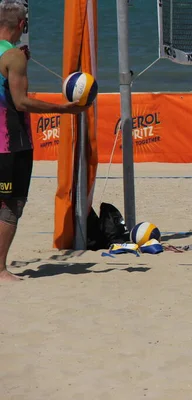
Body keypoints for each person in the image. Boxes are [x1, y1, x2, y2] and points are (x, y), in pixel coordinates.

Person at [0, 0, 91, 282]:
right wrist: (63, 109)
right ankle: (0, 270)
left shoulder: (14, 55)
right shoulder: (14, 56)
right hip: (10, 143)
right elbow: (22, 102)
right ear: (23, 25)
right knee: (11, 205)